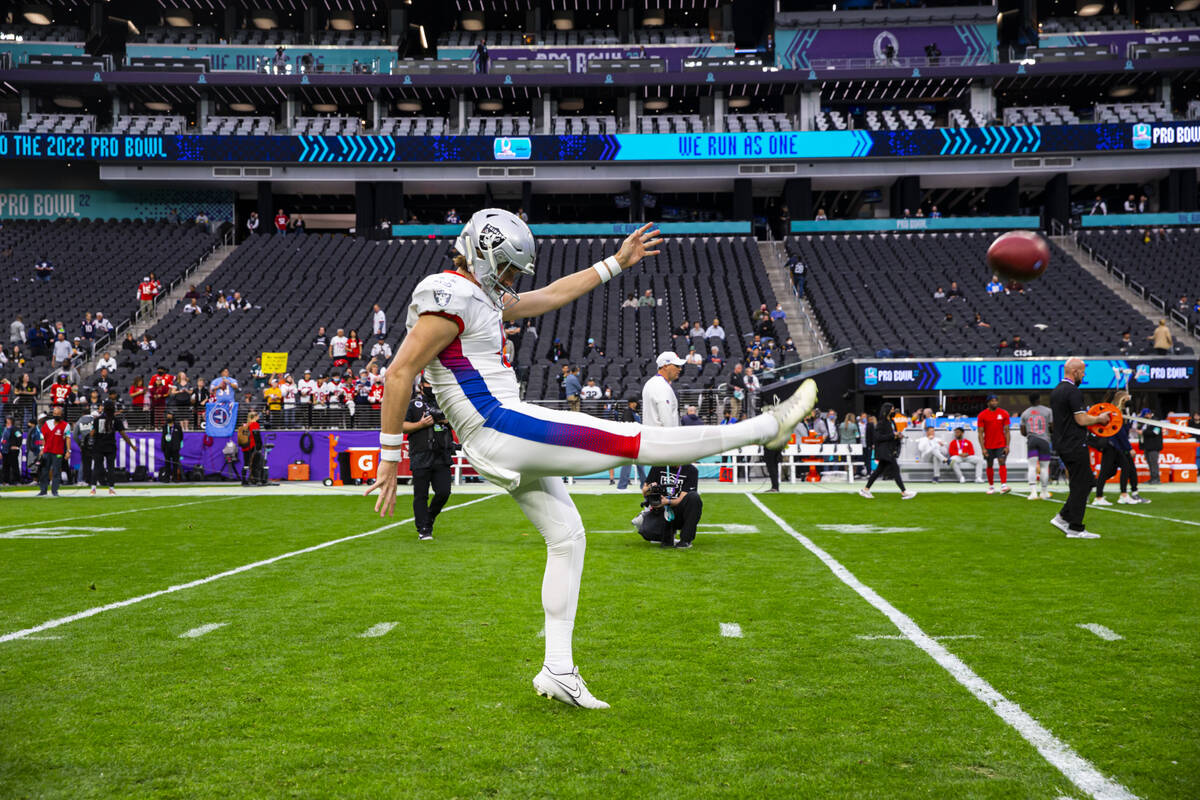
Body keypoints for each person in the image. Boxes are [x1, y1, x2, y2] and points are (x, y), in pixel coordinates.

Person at [365, 209, 817, 709]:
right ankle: (766, 427)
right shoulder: (448, 292)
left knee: (567, 537)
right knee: (633, 439)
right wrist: (389, 457)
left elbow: (550, 296)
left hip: (494, 429)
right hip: (497, 423)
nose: (512, 280)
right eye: (508, 269)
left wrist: (615, 264)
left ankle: (558, 668)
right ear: (481, 251)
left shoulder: (481, 294)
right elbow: (398, 373)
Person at [1049, 358, 1111, 538]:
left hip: (1063, 443)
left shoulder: (1057, 391)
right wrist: (1100, 419)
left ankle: (1065, 519)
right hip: (1074, 444)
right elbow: (1081, 419)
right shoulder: (1073, 391)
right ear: (1075, 372)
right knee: (1083, 484)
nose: (1084, 375)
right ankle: (1073, 526)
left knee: (1085, 482)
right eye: (1083, 372)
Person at [405, 374, 456, 540]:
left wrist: (445, 421)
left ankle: (429, 517)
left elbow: (457, 424)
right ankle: (423, 529)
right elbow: (401, 426)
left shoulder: (445, 404)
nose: (431, 387)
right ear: (421, 386)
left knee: (444, 492)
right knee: (421, 494)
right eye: (428, 383)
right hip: (420, 453)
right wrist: (421, 424)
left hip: (441, 454)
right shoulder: (413, 405)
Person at [1093, 391, 1149, 506]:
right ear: (1122, 400)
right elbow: (1120, 432)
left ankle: (1097, 490)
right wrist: (1128, 448)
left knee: (1114, 470)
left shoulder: (1122, 412)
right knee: (1113, 469)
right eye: (1127, 399)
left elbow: (1125, 429)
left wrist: (1130, 418)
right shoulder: (1115, 412)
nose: (1129, 401)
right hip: (1112, 444)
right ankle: (1104, 496)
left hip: (1115, 445)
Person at [638, 463, 702, 548]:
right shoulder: (658, 466)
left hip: (679, 512)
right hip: (661, 510)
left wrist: (667, 501)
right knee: (648, 532)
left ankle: (686, 540)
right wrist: (651, 488)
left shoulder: (691, 470)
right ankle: (648, 519)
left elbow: (681, 499)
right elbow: (644, 491)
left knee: (694, 498)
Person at [859, 402, 915, 499]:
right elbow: (878, 437)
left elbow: (892, 434)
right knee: (895, 470)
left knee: (878, 471)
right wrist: (893, 435)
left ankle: (865, 489)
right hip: (885, 451)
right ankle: (904, 492)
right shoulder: (882, 423)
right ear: (887, 410)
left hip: (889, 449)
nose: (893, 411)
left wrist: (898, 436)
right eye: (892, 409)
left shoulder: (891, 422)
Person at [90, 400, 132, 494]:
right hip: (110, 446)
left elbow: (92, 433)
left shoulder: (97, 419)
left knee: (96, 467)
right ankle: (111, 488)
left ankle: (93, 488)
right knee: (111, 468)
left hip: (98, 446)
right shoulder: (116, 420)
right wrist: (131, 445)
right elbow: (123, 435)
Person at [1019, 394, 1054, 500]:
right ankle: (1044, 492)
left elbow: (1023, 432)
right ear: (1039, 399)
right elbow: (1052, 428)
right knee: (1044, 467)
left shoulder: (1025, 413)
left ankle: (1033, 493)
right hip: (1044, 440)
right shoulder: (1048, 411)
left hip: (1032, 440)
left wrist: (1031, 433)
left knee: (1032, 466)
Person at [976, 395, 1011, 494]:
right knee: (989, 464)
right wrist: (983, 448)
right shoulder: (982, 415)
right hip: (988, 445)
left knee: (1002, 461)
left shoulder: (1004, 413)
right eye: (992, 401)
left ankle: (1004, 485)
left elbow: (1007, 431)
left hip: (1001, 444)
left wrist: (1007, 446)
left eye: (996, 400)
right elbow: (980, 433)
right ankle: (991, 486)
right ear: (988, 403)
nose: (994, 402)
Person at [37, 406, 71, 497]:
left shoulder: (66, 425)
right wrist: (42, 448)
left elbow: (68, 439)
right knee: (44, 471)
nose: (56, 415)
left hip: (58, 452)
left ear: (61, 415)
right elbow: (42, 437)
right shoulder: (47, 424)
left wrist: (68, 451)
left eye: (58, 414)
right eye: (55, 414)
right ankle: (43, 490)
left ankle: (54, 490)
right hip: (47, 451)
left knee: (56, 472)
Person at [643, 352, 683, 428]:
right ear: (665, 366)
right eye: (677, 366)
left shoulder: (650, 383)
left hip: (652, 435)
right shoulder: (662, 386)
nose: (680, 369)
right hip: (663, 437)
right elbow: (667, 420)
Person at [1135, 408, 1163, 484]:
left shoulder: (1156, 421)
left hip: (1154, 446)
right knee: (1150, 463)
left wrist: (1143, 432)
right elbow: (1139, 428)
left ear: (1148, 414)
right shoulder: (1144, 422)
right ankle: (1152, 478)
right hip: (1147, 446)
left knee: (1153, 463)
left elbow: (1155, 432)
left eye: (1144, 415)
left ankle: (1156, 479)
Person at [238, 410, 263, 485]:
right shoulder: (255, 424)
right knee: (255, 463)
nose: (258, 417)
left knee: (246, 463)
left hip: (245, 446)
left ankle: (244, 480)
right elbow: (257, 436)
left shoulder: (245, 425)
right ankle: (255, 479)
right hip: (252, 446)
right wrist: (260, 446)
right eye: (257, 416)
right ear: (255, 417)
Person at [160, 411, 184, 482]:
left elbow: (181, 437)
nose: (169, 417)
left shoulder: (178, 427)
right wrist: (163, 447)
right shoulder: (164, 426)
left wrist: (177, 445)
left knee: (175, 464)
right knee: (167, 464)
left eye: (170, 416)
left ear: (173, 417)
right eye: (168, 416)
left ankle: (175, 478)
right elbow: (163, 437)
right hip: (167, 448)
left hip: (175, 448)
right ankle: (167, 478)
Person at [1, 416, 22, 485]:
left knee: (14, 466)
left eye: (9, 420)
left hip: (12, 451)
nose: (7, 421)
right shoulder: (4, 429)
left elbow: (19, 437)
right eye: (7, 420)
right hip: (5, 451)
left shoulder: (15, 429)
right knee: (5, 467)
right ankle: (5, 481)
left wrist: (17, 446)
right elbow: (2, 440)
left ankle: (16, 481)